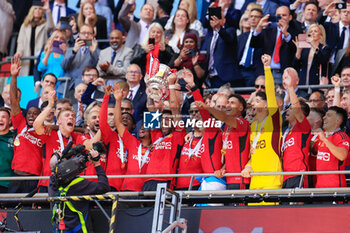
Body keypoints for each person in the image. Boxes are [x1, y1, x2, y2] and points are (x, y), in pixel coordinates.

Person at [241, 54, 283, 198]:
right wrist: (248, 165)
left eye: (257, 101)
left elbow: (271, 95)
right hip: (255, 182)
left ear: (266, 106)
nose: (253, 103)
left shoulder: (273, 121)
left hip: (272, 181)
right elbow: (254, 152)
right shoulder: (253, 127)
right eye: (253, 102)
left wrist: (267, 68)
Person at [142, 73, 186, 191]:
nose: (165, 122)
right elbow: (151, 108)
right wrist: (150, 88)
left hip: (165, 180)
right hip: (148, 179)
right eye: (163, 119)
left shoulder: (178, 135)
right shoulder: (156, 134)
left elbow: (175, 108)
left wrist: (171, 86)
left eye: (169, 119)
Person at [198, 93, 251, 190]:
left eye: (232, 103)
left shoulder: (243, 123)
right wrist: (223, 169)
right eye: (228, 103)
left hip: (240, 178)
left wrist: (208, 108)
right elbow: (229, 152)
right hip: (229, 179)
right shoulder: (227, 127)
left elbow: (224, 117)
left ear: (240, 108)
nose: (228, 105)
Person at [49, 148, 110, 233]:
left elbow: (53, 166)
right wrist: (97, 163)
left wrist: (59, 156)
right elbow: (104, 186)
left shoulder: (53, 184)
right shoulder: (79, 184)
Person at [33, 90, 83, 192]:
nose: (71, 117)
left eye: (73, 116)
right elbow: (36, 124)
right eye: (67, 115)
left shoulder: (77, 137)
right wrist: (51, 104)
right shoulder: (50, 133)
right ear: (59, 121)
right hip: (48, 183)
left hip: (69, 185)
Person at [8, 54, 44, 193]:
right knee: (8, 210)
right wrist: (14, 77)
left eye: (36, 114)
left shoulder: (44, 131)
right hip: (16, 177)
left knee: (31, 212)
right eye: (29, 113)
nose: (32, 115)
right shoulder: (20, 123)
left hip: (33, 179)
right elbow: (13, 100)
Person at [113, 85, 151, 191]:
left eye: (146, 128)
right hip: (126, 188)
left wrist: (150, 97)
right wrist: (118, 101)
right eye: (141, 127)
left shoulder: (155, 148)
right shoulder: (133, 142)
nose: (142, 129)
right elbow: (118, 123)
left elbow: (153, 115)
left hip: (145, 190)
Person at [250, 6, 301, 84]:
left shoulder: (295, 32)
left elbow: (295, 50)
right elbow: (254, 44)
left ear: (290, 17)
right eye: (278, 15)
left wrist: (286, 34)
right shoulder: (268, 32)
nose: (280, 18)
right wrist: (259, 27)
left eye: (283, 15)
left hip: (283, 73)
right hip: (265, 71)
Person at [281, 67, 311, 189]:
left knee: (298, 208)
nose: (288, 110)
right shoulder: (287, 132)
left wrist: (290, 88)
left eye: (291, 109)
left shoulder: (303, 126)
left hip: (299, 174)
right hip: (285, 176)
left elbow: (297, 108)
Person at [312, 106, 349, 188]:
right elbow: (314, 152)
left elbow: (342, 156)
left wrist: (324, 139)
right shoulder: (322, 135)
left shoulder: (342, 136)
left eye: (328, 116)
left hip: (335, 186)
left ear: (338, 120)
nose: (324, 118)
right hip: (319, 185)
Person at [16, 0, 54, 76]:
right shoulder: (25, 25)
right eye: (35, 8)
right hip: (26, 57)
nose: (37, 11)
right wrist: (19, 52)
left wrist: (48, 10)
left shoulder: (44, 24)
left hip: (38, 57)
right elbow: (20, 41)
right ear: (32, 10)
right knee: (26, 79)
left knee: (37, 77)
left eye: (40, 9)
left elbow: (51, 26)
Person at [60, 24, 99, 98]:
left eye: (89, 33)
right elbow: (64, 66)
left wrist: (93, 52)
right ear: (79, 35)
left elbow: (96, 68)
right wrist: (74, 52)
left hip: (88, 87)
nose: (86, 36)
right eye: (84, 33)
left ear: (93, 35)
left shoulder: (97, 52)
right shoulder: (71, 50)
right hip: (70, 86)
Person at [206, 10, 242, 87]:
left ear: (224, 20)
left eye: (218, 18)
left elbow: (228, 38)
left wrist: (219, 28)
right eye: (212, 19)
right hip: (212, 77)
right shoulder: (209, 40)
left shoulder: (230, 31)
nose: (215, 21)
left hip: (227, 76)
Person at [238, 8, 264, 87]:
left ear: (261, 19)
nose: (253, 18)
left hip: (255, 71)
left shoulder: (266, 35)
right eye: (251, 16)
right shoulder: (241, 37)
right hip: (240, 70)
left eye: (256, 16)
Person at [0, 107, 14, 193]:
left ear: (9, 121)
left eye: (3, 117)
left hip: (8, 183)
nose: (0, 119)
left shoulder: (16, 137)